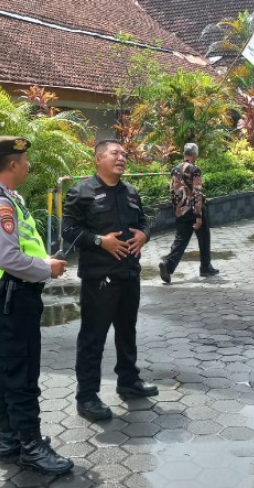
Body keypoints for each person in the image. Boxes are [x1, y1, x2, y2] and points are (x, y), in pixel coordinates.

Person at [62, 139, 158, 422]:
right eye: (115, 153)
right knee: (93, 338)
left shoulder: (130, 192)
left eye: (124, 154)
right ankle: (87, 397)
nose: (121, 158)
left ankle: (128, 381)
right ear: (98, 159)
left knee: (127, 331)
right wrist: (99, 241)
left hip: (129, 274)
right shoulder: (81, 192)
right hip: (99, 279)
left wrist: (145, 234)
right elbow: (69, 230)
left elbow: (143, 222)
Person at [0, 136, 73, 475]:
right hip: (14, 298)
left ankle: (8, 438)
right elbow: (8, 257)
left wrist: (43, 261)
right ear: (13, 164)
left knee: (7, 369)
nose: (29, 165)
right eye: (25, 160)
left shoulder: (10, 198)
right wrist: (47, 268)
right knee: (22, 372)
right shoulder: (2, 204)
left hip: (11, 297)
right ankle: (30, 447)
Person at [159, 143, 219, 283]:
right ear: (195, 155)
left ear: (184, 154)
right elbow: (197, 192)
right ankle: (205, 267)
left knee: (180, 240)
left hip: (181, 210)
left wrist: (177, 209)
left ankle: (168, 264)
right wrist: (198, 216)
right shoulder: (195, 169)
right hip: (194, 210)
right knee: (204, 237)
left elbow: (172, 191)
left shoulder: (175, 169)